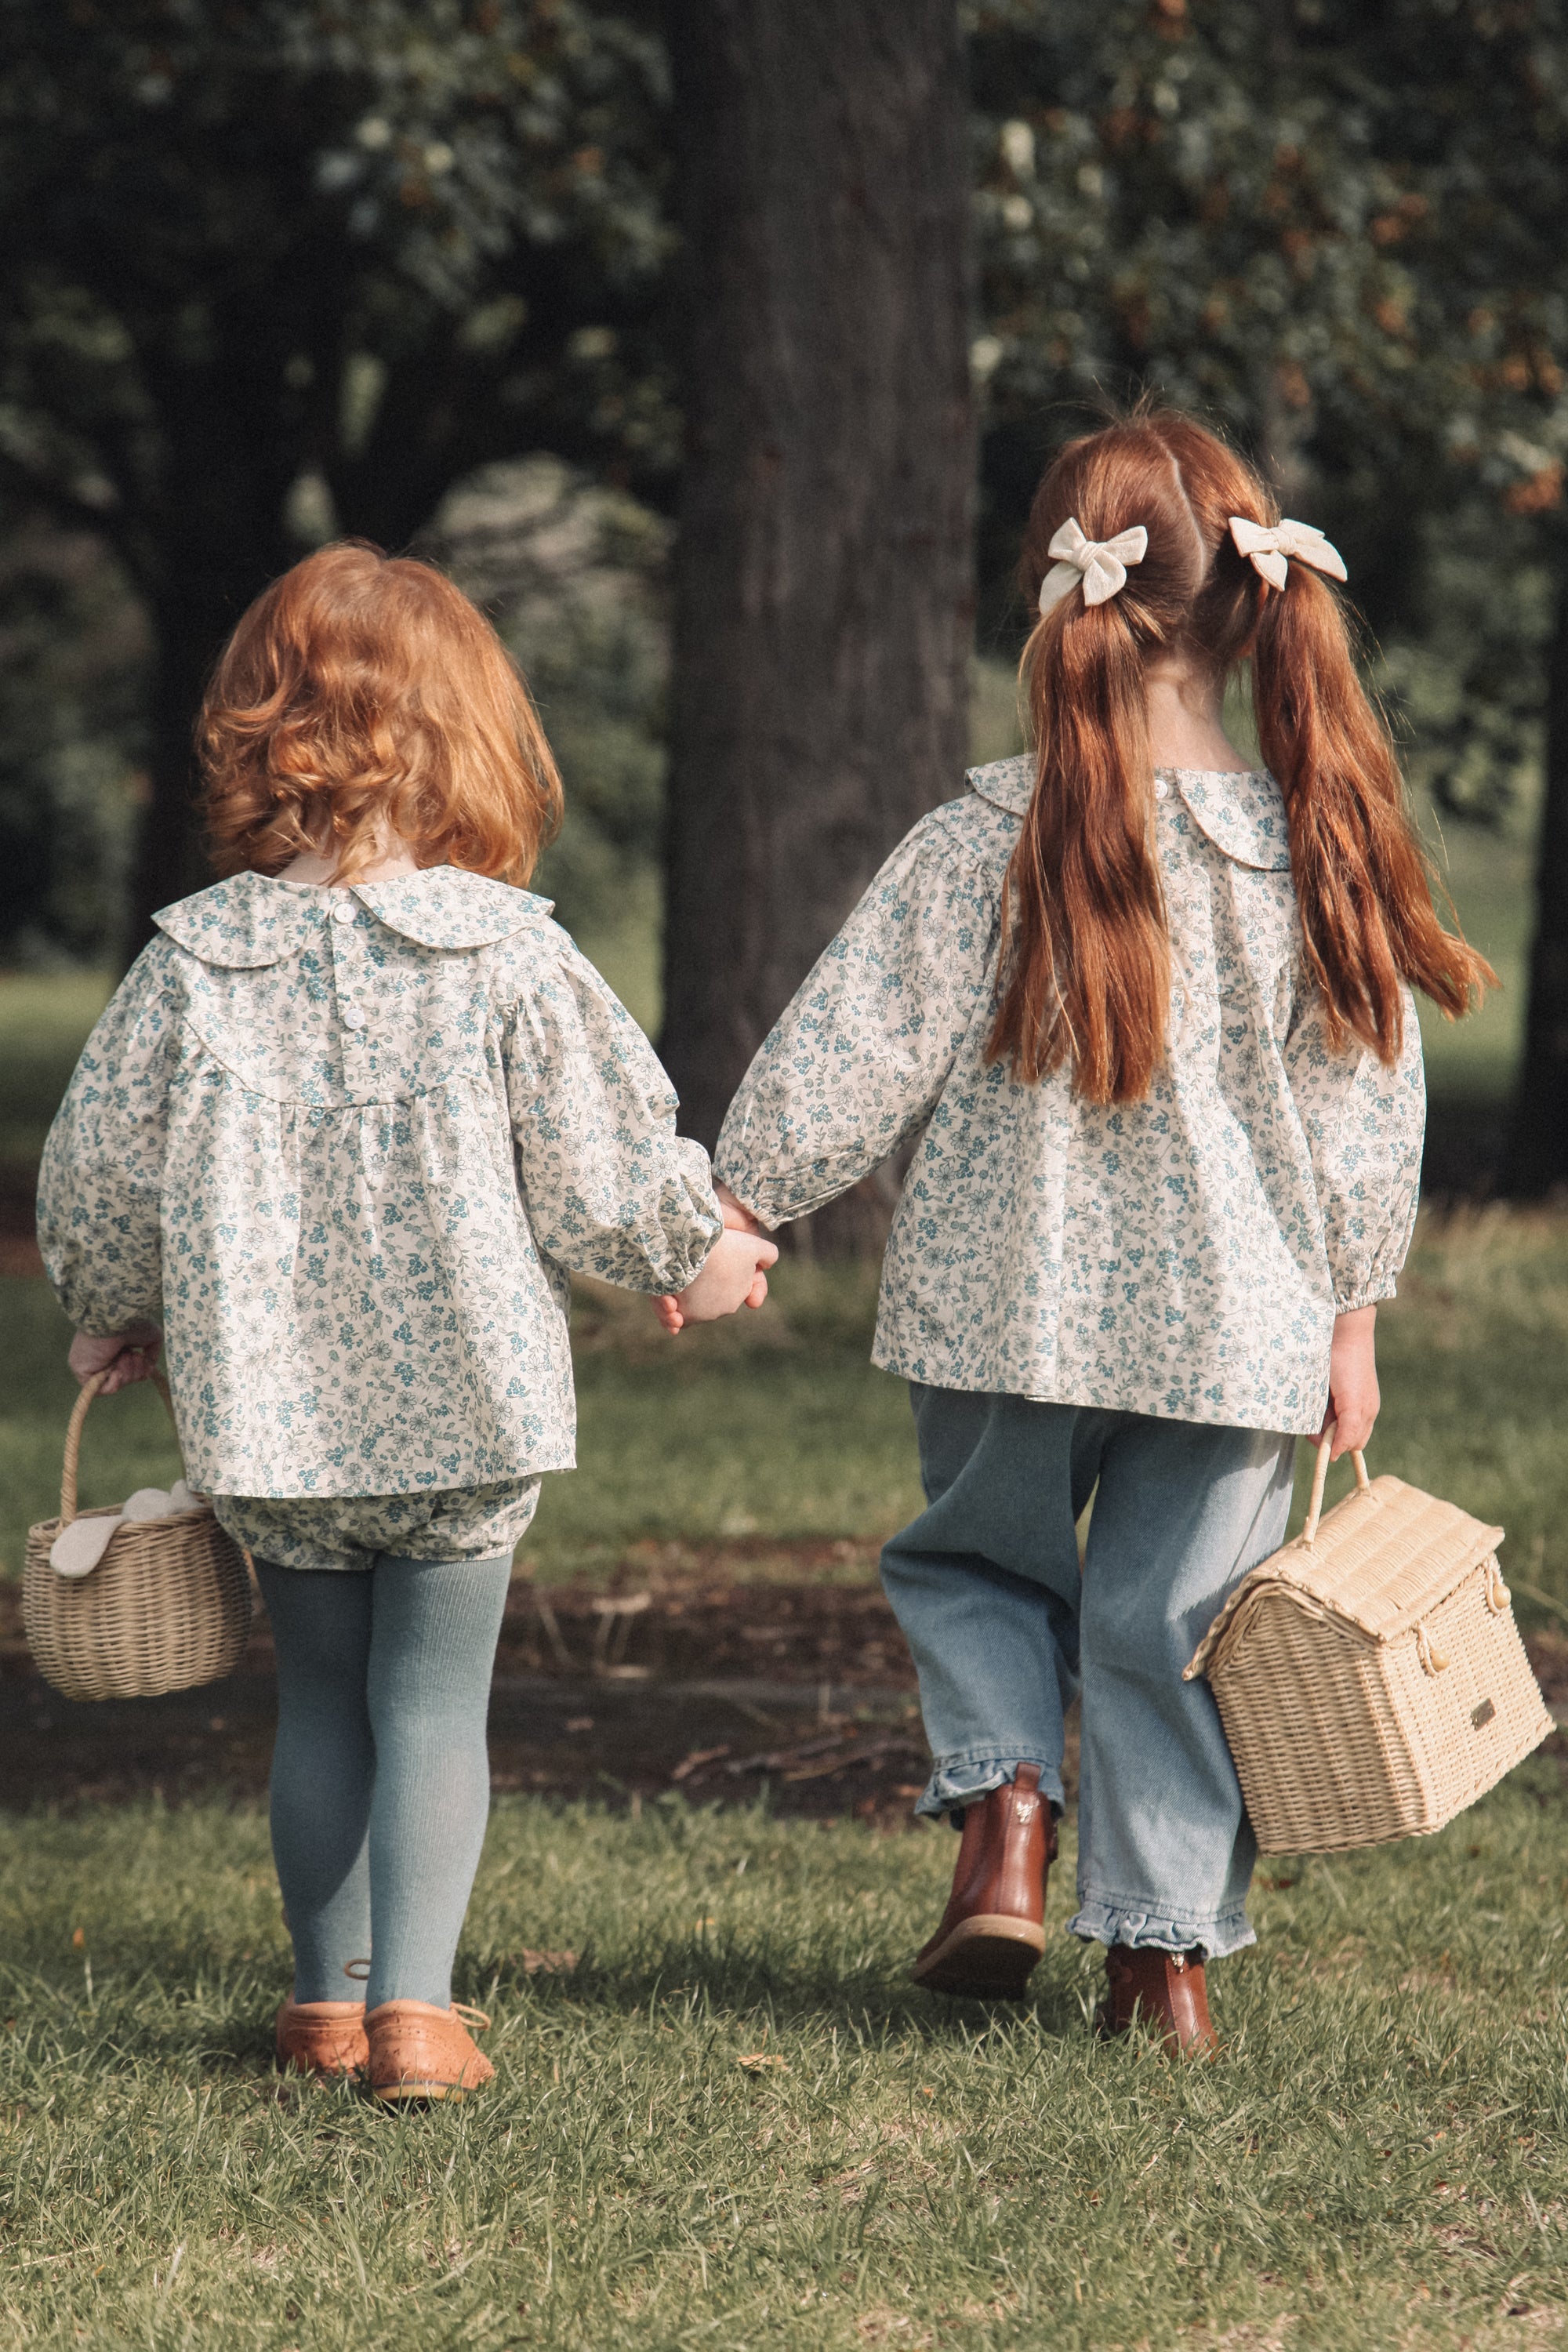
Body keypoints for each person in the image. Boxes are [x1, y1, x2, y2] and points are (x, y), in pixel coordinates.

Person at [681, 411, 1492, 2053]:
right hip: (1238, 1326)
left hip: (1002, 1305)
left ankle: (1004, 1820)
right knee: (1175, 1630)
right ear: (1256, 599)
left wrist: (747, 1198)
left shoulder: (983, 836)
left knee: (978, 1564)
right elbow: (1364, 1104)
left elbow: (858, 1040)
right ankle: (1160, 1968)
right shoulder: (1311, 844)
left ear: (1059, 597)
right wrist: (1352, 1311)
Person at [37, 543, 776, 2101]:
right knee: (434, 1703)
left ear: (262, 724)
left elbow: (97, 1164)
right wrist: (691, 1251)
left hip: (277, 1422)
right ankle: (421, 2019)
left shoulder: (190, 961)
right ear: (464, 733)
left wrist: (115, 1310)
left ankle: (323, 2005)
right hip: (465, 1412)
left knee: (319, 1699)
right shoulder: (507, 953)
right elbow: (605, 1168)